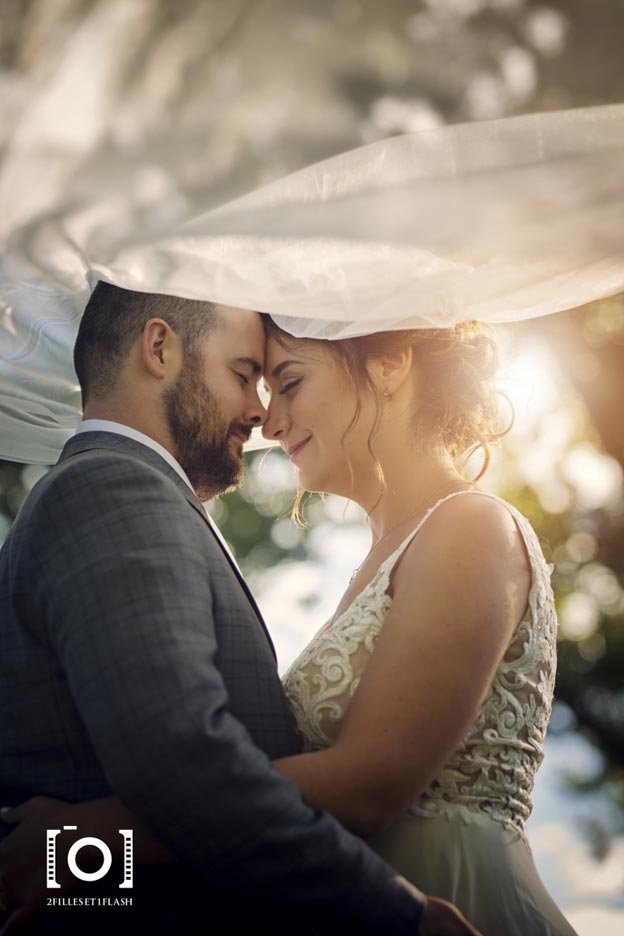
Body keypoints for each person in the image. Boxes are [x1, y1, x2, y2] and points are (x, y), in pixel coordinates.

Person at [0, 283, 479, 936]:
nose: (260, 412)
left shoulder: (132, 492)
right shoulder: (114, 486)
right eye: (245, 373)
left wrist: (78, 857)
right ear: (160, 348)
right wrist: (404, 918)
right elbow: (181, 759)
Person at [258, 317, 578, 936]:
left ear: (389, 362)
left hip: (470, 900)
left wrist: (108, 834)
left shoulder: (470, 526)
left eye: (289, 382)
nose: (270, 424)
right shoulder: (373, 566)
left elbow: (366, 787)